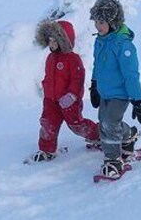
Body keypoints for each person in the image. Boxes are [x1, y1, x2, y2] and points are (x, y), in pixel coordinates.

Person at [89, 0, 141, 179]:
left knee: (109, 122)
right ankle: (129, 135)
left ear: (113, 22)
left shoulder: (124, 45)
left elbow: (131, 75)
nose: (98, 26)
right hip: (104, 91)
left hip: (120, 94)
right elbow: (97, 65)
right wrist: (94, 85)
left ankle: (113, 159)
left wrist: (138, 101)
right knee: (104, 121)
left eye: (102, 22)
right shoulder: (100, 41)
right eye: (96, 22)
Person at [30, 19, 100, 163]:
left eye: (55, 41)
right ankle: (46, 150)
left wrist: (72, 96)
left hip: (69, 102)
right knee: (47, 124)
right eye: (49, 41)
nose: (51, 44)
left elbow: (78, 80)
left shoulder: (73, 59)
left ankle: (98, 135)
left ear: (64, 41)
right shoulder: (50, 58)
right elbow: (49, 77)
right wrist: (46, 89)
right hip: (51, 101)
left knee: (77, 126)